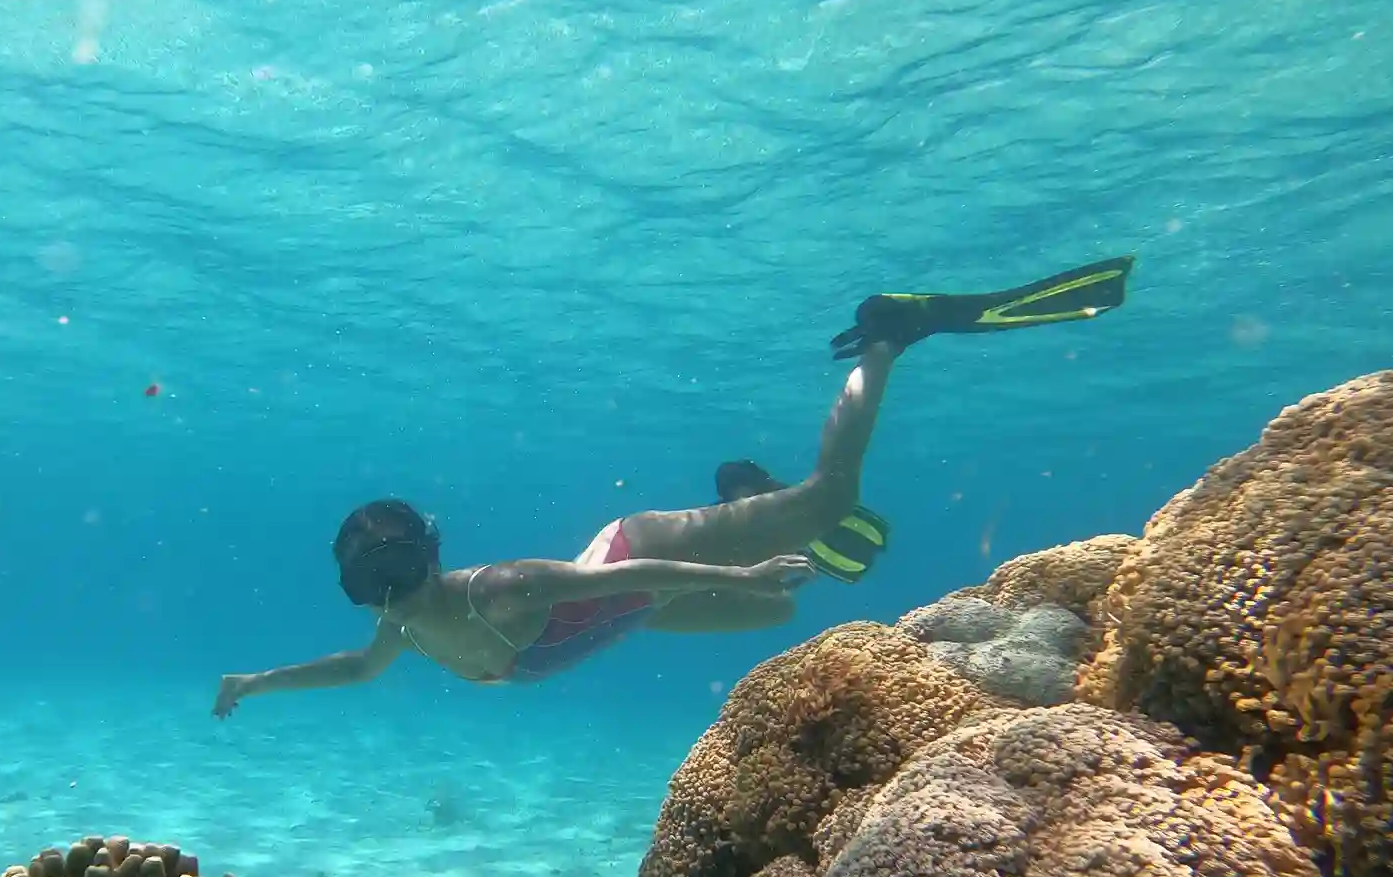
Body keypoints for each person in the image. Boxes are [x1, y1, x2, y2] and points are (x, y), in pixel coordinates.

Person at [211, 256, 1131, 715]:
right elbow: (352, 668)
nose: (386, 595)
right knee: (776, 618)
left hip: (638, 557)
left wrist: (739, 571)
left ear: (432, 550)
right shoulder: (398, 624)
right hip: (628, 610)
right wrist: (256, 681)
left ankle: (889, 335)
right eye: (370, 583)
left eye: (392, 571)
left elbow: (611, 583)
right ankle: (740, 493)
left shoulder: (502, 587)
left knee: (827, 507)